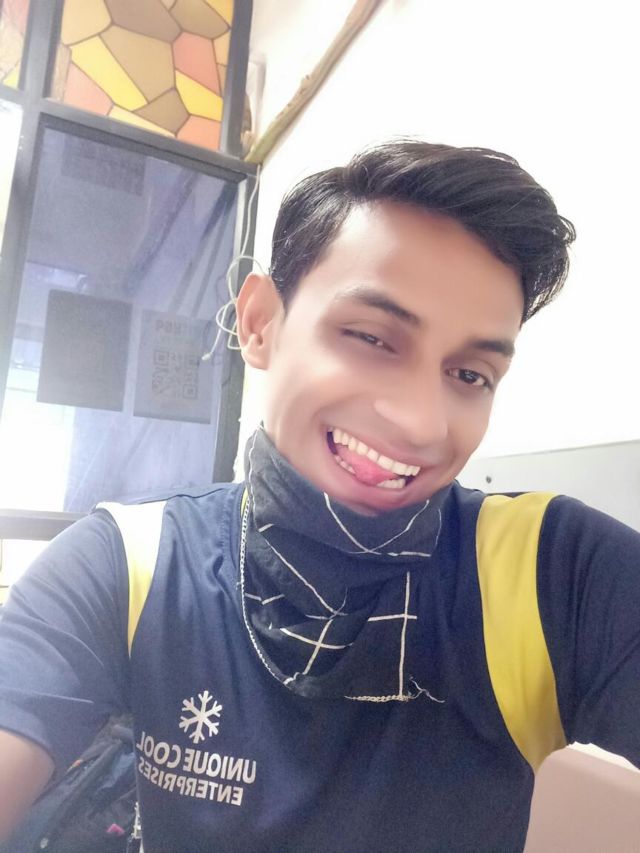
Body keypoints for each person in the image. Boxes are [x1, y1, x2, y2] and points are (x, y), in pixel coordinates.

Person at [0, 140, 638, 852]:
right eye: (370, 337)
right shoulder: (131, 567)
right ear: (260, 324)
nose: (421, 423)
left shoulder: (555, 576)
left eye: (469, 375)